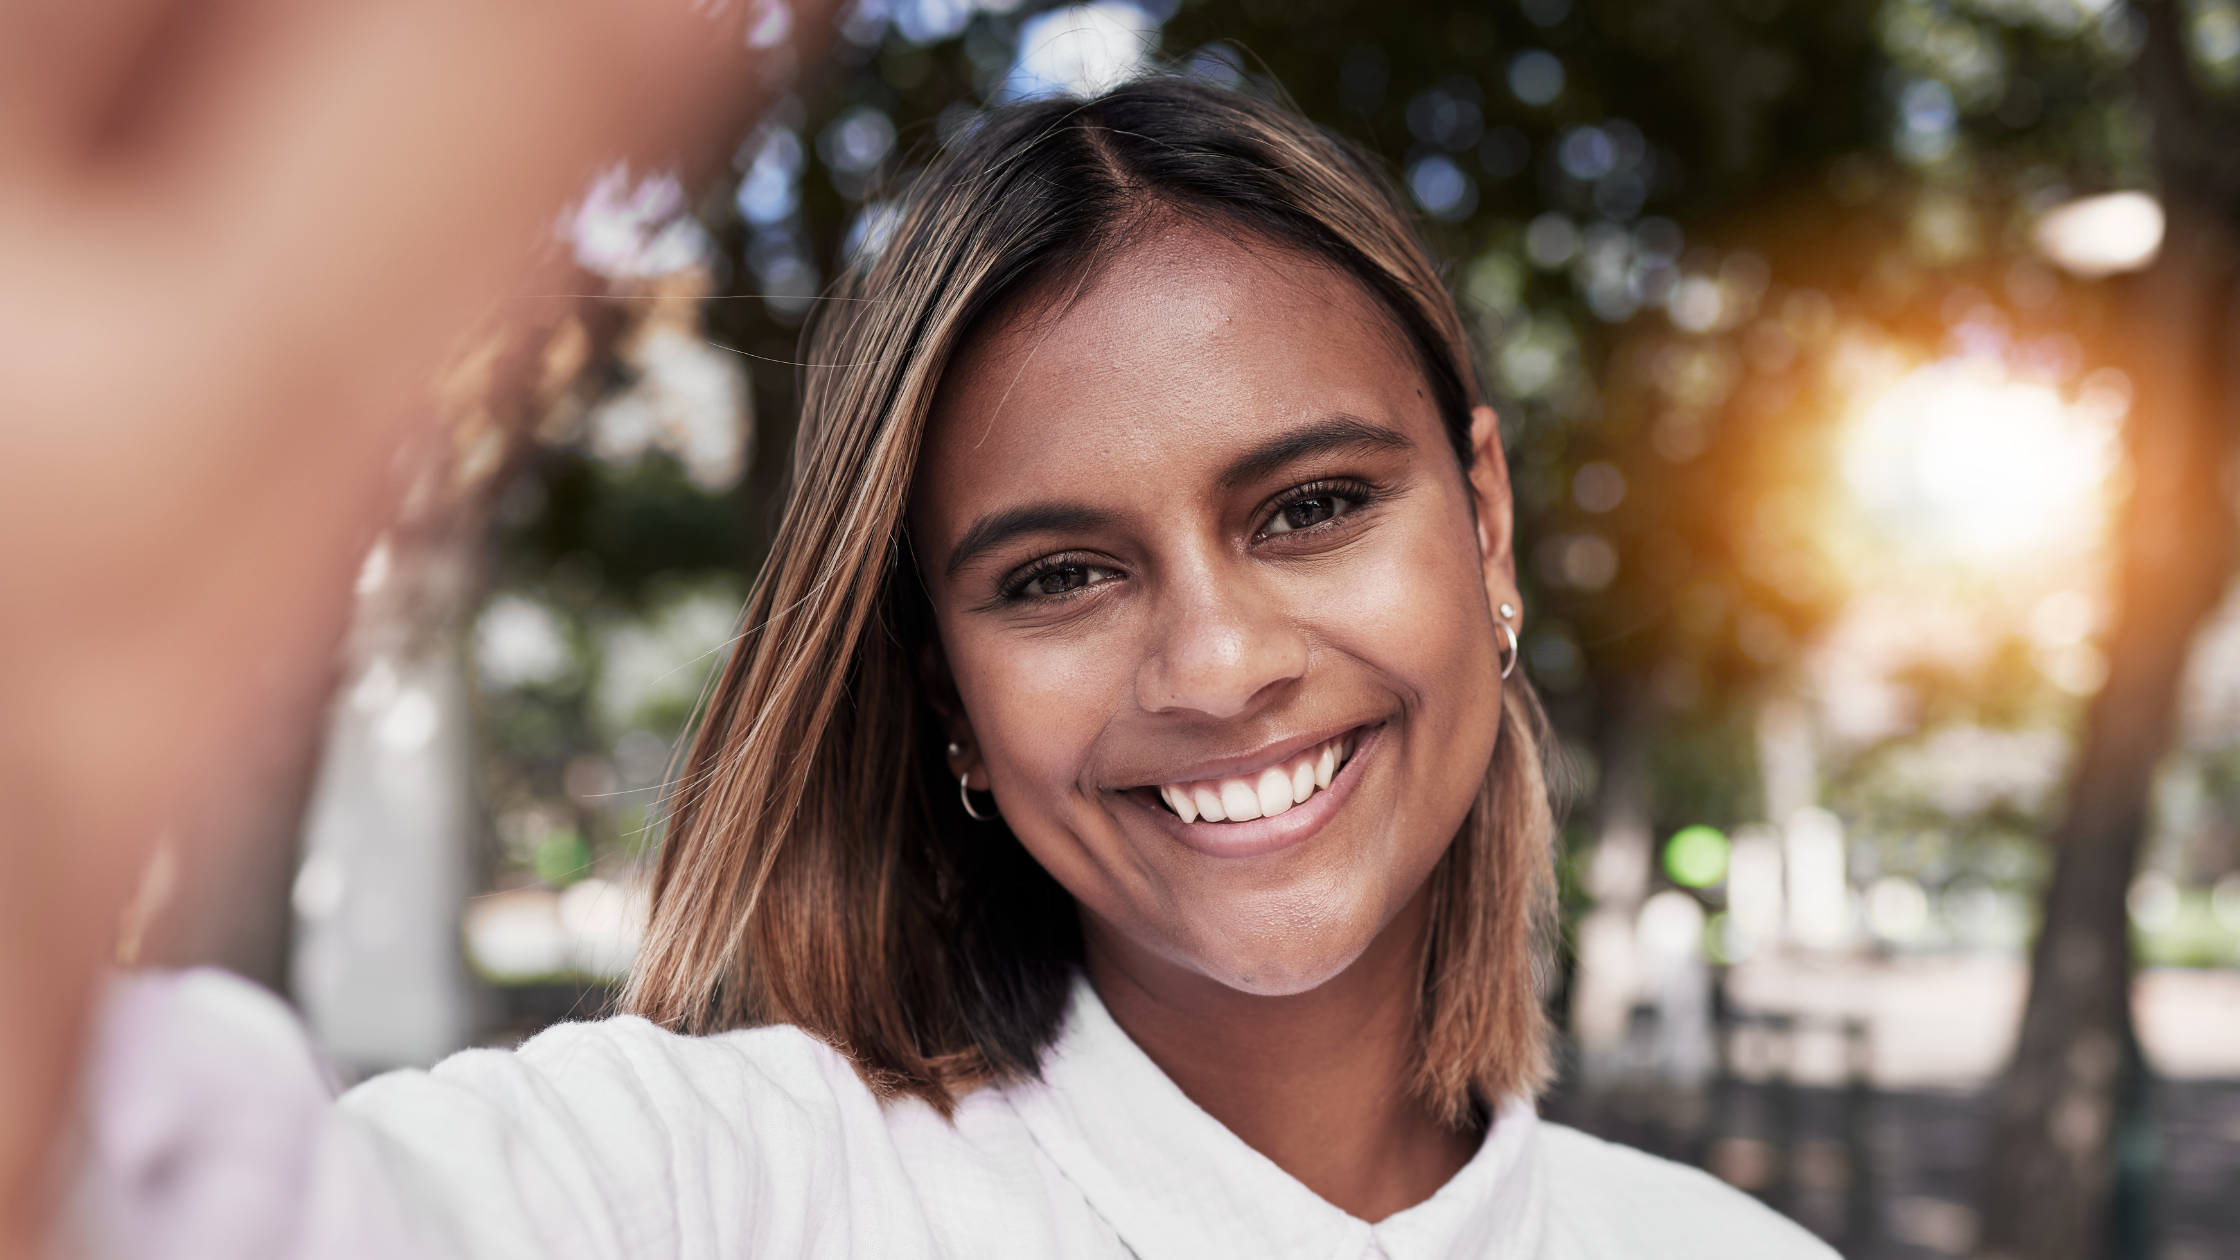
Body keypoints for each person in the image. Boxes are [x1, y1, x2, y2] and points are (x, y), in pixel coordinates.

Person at [77, 76, 1835, 1259]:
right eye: (1060, 575)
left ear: (1486, 527)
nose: (1216, 664)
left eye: (1308, 508)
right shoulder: (709, 1191)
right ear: (947, 699)